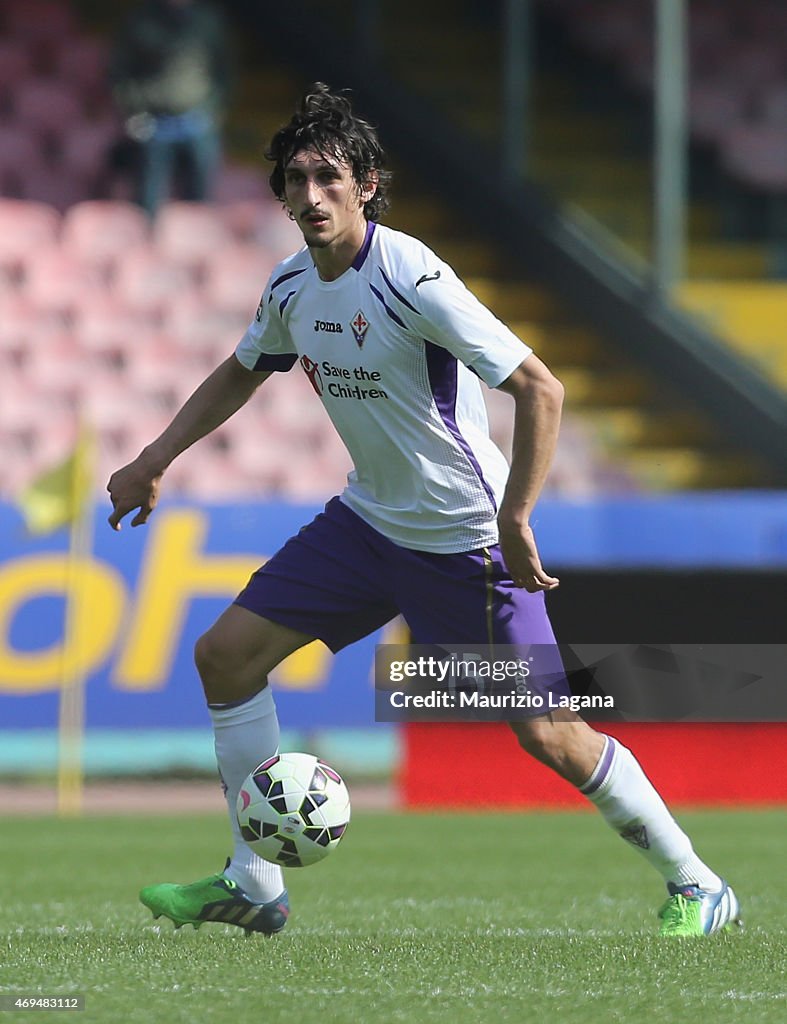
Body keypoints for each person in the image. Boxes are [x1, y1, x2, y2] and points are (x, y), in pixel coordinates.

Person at [107, 83, 741, 938]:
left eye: (328, 177)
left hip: (463, 540)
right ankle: (253, 887)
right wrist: (154, 459)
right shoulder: (293, 284)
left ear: (366, 184)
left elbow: (538, 386)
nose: (310, 195)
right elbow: (243, 367)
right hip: (368, 525)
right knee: (225, 657)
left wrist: (517, 516)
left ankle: (698, 884)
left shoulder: (411, 277)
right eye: (294, 180)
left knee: (550, 735)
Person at [108, 0, 233, 218]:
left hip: (197, 116)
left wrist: (215, 107)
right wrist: (133, 112)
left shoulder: (207, 19)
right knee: (149, 191)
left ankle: (196, 237)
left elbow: (223, 68)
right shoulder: (142, 20)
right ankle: (146, 242)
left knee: (201, 190)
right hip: (154, 118)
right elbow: (121, 71)